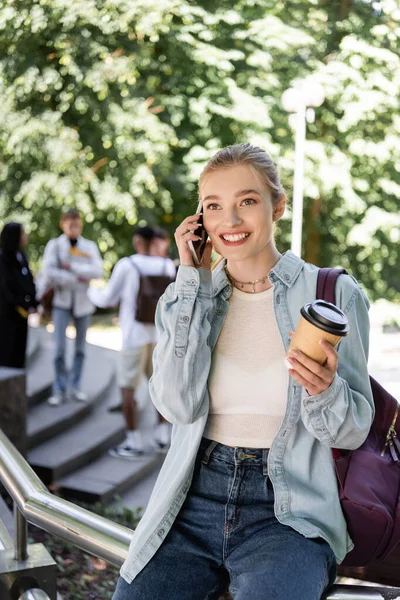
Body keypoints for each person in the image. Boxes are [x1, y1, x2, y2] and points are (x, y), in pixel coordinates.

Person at [112, 144, 374, 600]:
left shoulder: (332, 294)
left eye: (247, 202)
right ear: (198, 220)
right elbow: (176, 405)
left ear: (278, 206)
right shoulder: (189, 297)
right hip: (191, 501)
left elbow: (352, 431)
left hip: (289, 511)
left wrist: (327, 391)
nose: (229, 221)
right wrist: (191, 281)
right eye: (213, 206)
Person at [88, 226, 176, 458]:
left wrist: (90, 292)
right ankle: (162, 436)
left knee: (128, 387)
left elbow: (107, 299)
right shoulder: (167, 265)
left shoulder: (128, 265)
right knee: (159, 386)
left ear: (138, 241)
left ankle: (133, 441)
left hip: (133, 336)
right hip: (159, 336)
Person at [41, 209, 103, 406]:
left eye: (77, 225)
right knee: (59, 348)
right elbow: (49, 272)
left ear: (81, 225)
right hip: (61, 302)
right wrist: (76, 279)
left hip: (83, 303)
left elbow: (97, 271)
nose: (73, 228)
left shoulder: (89, 246)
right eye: (70, 225)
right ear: (63, 225)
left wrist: (74, 269)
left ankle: (75, 385)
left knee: (80, 349)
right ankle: (59, 388)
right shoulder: (55, 246)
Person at [0, 223, 38, 368]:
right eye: (22, 234)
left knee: (19, 353)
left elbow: (28, 280)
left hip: (21, 314)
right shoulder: (3, 258)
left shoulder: (21, 255)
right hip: (7, 313)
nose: (25, 237)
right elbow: (7, 288)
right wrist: (23, 304)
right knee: (7, 353)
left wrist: (34, 302)